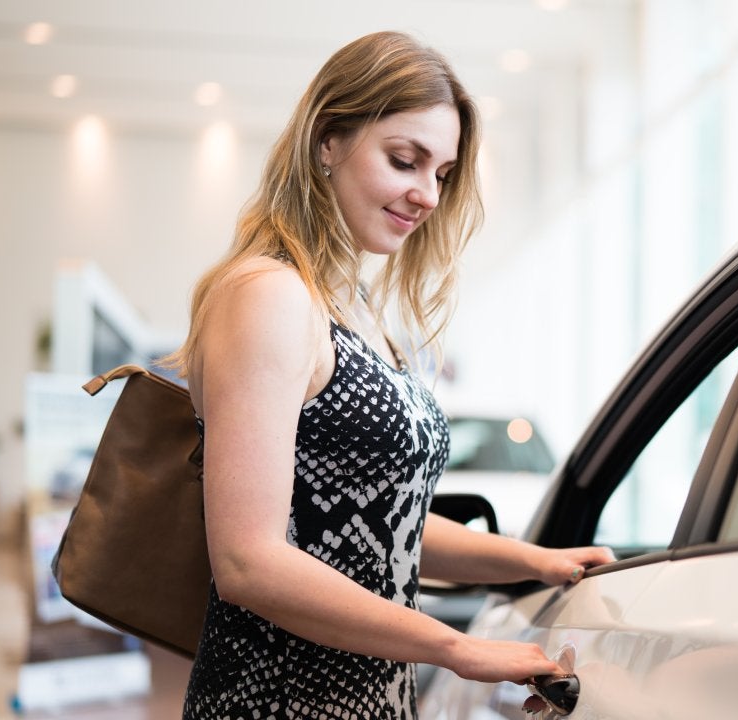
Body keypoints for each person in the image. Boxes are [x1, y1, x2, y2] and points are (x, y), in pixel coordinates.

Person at [164, 31, 614, 719]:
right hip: (278, 702)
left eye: (442, 173)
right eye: (406, 160)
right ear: (328, 141)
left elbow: (379, 523)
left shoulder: (352, 305)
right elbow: (249, 562)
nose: (428, 194)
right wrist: (455, 647)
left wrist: (532, 559)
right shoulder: (269, 295)